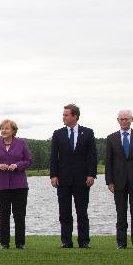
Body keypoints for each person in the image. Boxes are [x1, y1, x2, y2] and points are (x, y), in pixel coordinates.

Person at [49, 104, 97, 248]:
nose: (63, 117)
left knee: (82, 212)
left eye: (66, 115)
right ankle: (66, 241)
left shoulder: (88, 133)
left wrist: (91, 174)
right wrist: (53, 175)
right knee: (64, 212)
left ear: (75, 116)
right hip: (62, 179)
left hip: (82, 179)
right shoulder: (58, 134)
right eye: (63, 115)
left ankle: (84, 241)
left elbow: (92, 156)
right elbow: (53, 157)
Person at [105, 110, 133, 249]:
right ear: (118, 120)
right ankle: (121, 243)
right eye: (122, 119)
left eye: (127, 119)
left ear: (132, 120)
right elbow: (109, 162)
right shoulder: (111, 138)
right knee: (121, 213)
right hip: (118, 181)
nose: (124, 121)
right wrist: (109, 181)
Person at [0, 119, 32, 249]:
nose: (3, 131)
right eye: (2, 128)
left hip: (19, 185)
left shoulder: (21, 143)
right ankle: (4, 243)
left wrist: (17, 165)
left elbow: (28, 161)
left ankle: (20, 243)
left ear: (13, 131)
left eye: (6, 128)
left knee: (19, 215)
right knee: (4, 215)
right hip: (1, 186)